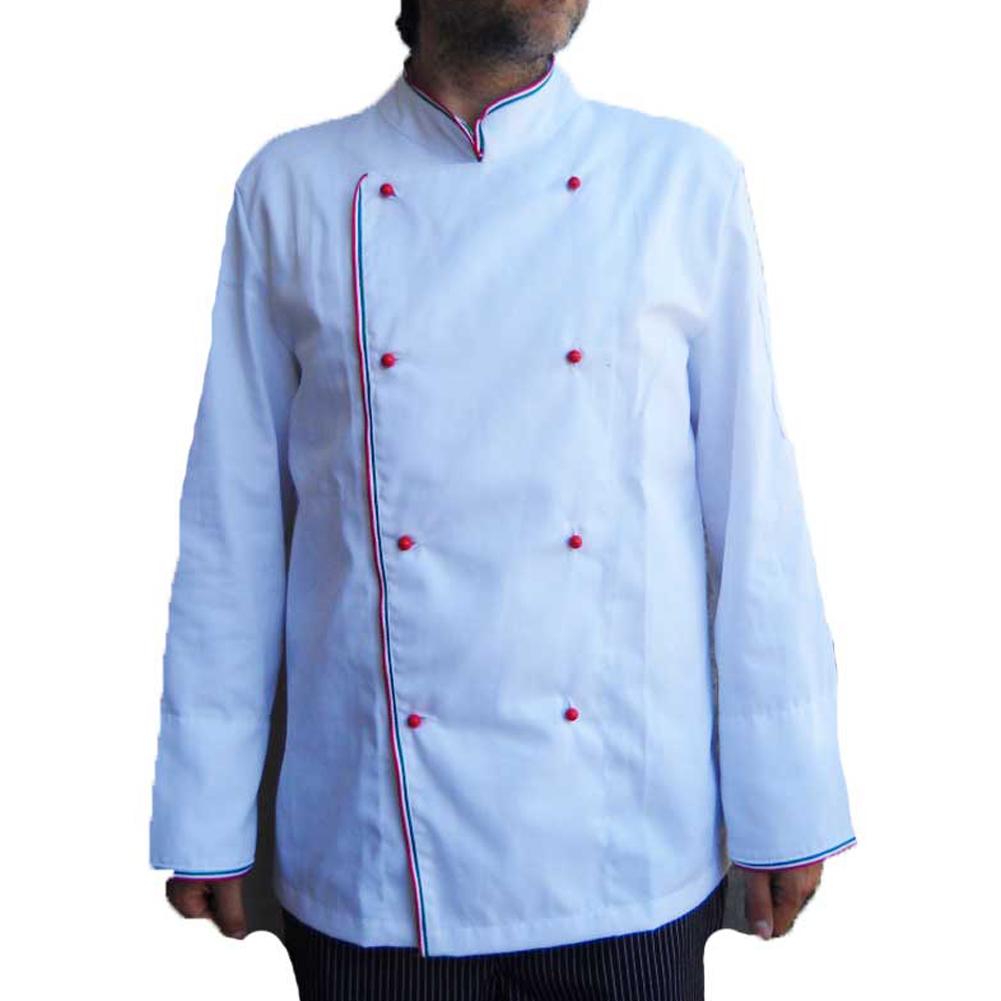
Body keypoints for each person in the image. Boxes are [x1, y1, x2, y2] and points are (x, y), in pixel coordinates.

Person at [149, 2, 857, 997]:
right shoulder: (292, 186)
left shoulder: (679, 180)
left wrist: (785, 795)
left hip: (625, 850)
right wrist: (208, 808)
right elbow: (236, 525)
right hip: (375, 860)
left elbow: (751, 513)